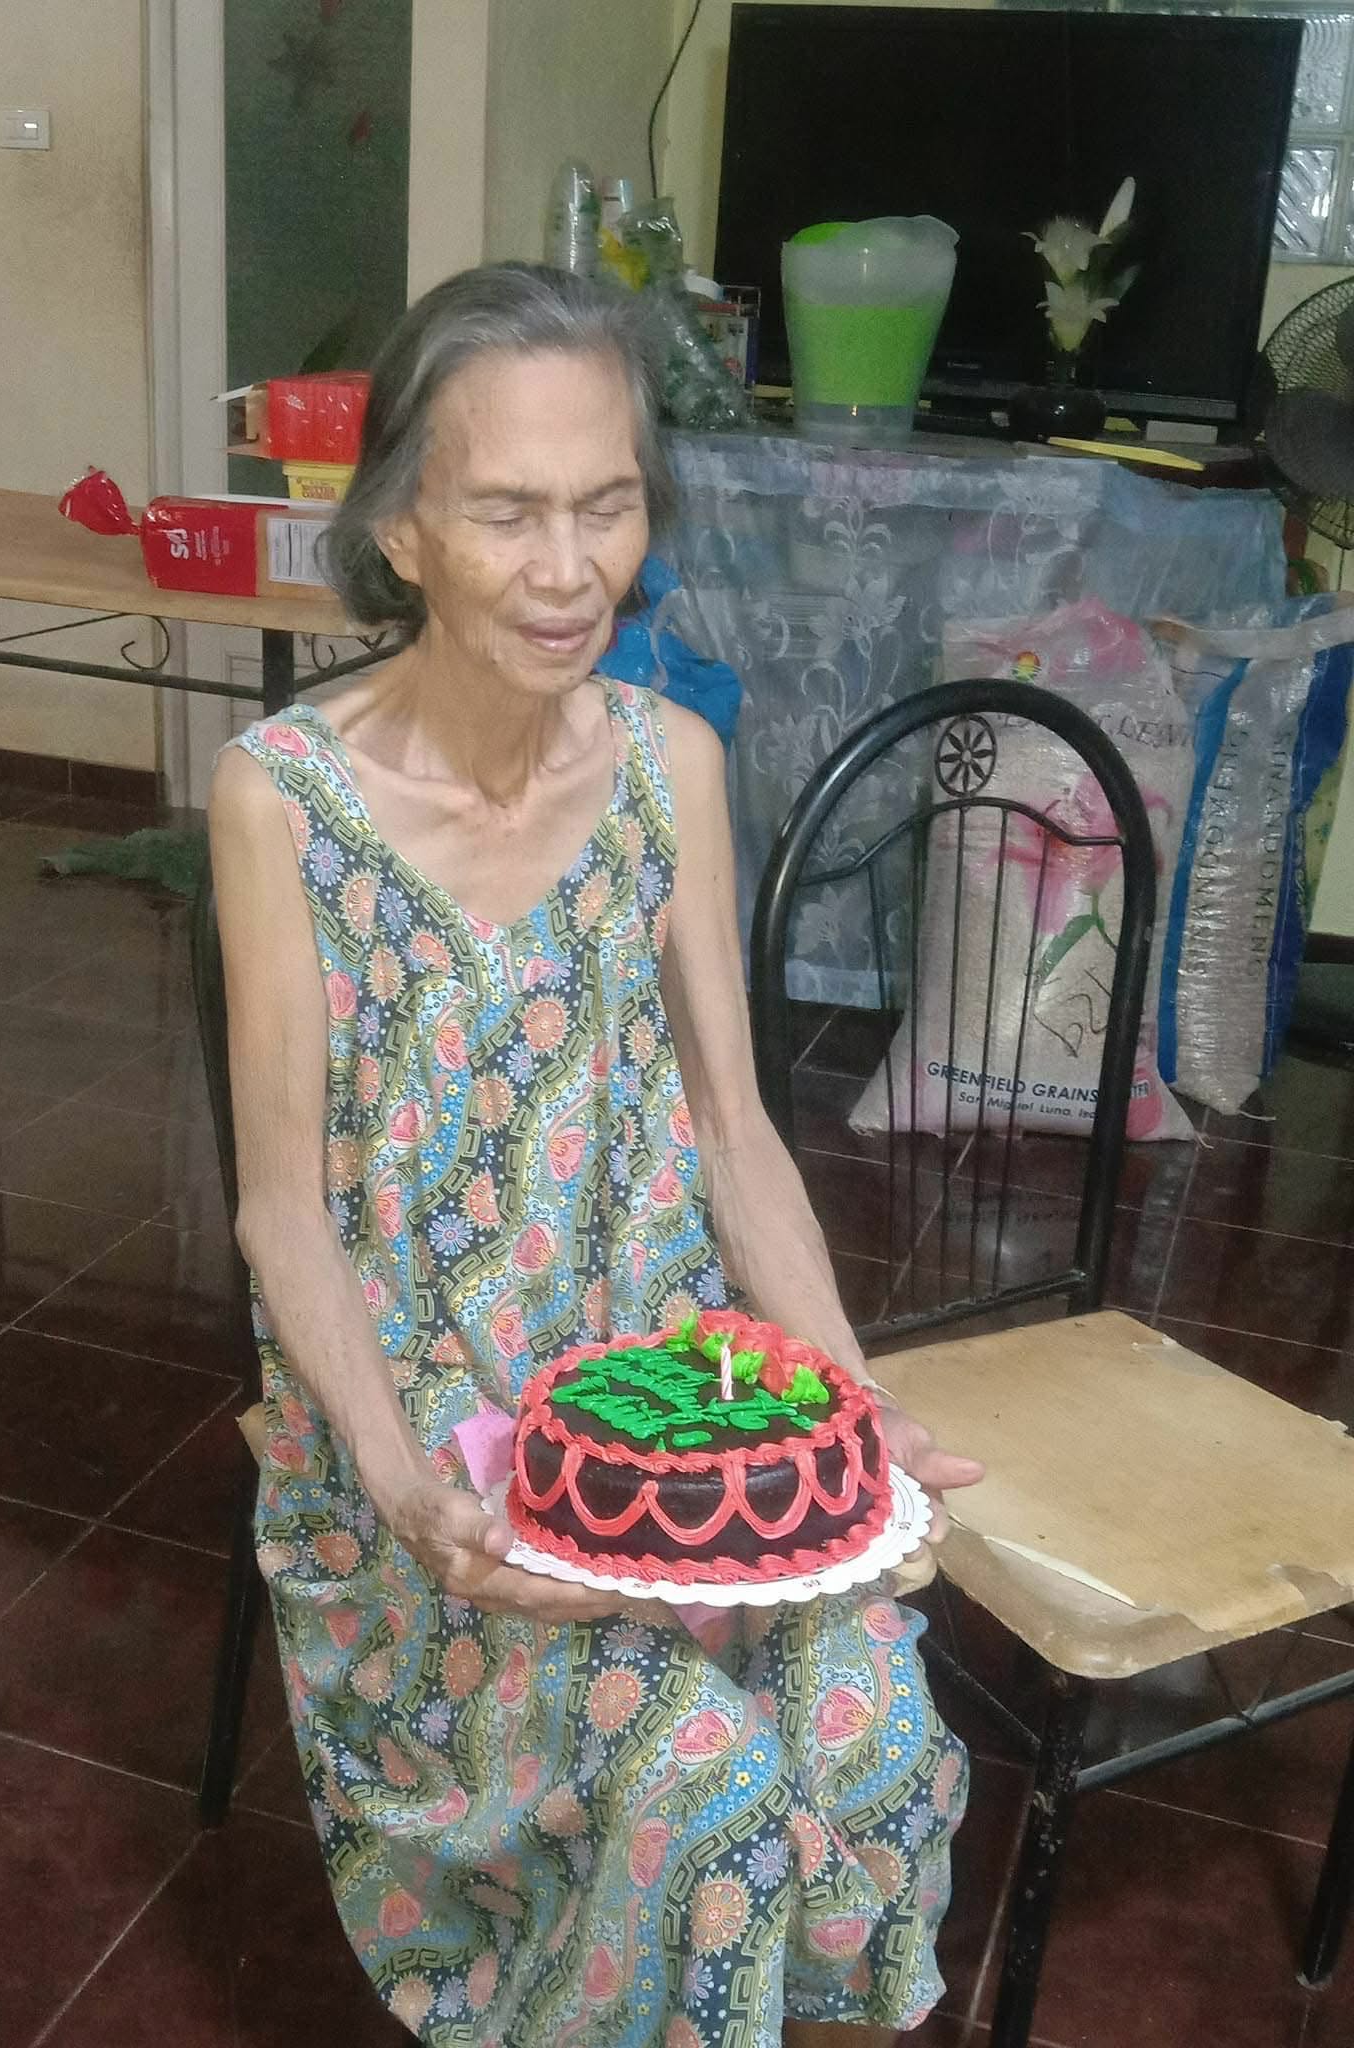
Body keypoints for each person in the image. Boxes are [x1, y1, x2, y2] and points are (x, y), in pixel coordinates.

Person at [209, 262, 984, 2048]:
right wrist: (409, 1488)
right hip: (427, 1438)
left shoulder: (668, 765)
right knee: (704, 1786)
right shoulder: (283, 803)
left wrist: (851, 1419)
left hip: (672, 1417)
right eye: (508, 511)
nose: (571, 570)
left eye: (608, 505)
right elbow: (280, 1209)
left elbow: (736, 1132)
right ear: (402, 527)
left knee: (876, 1727)